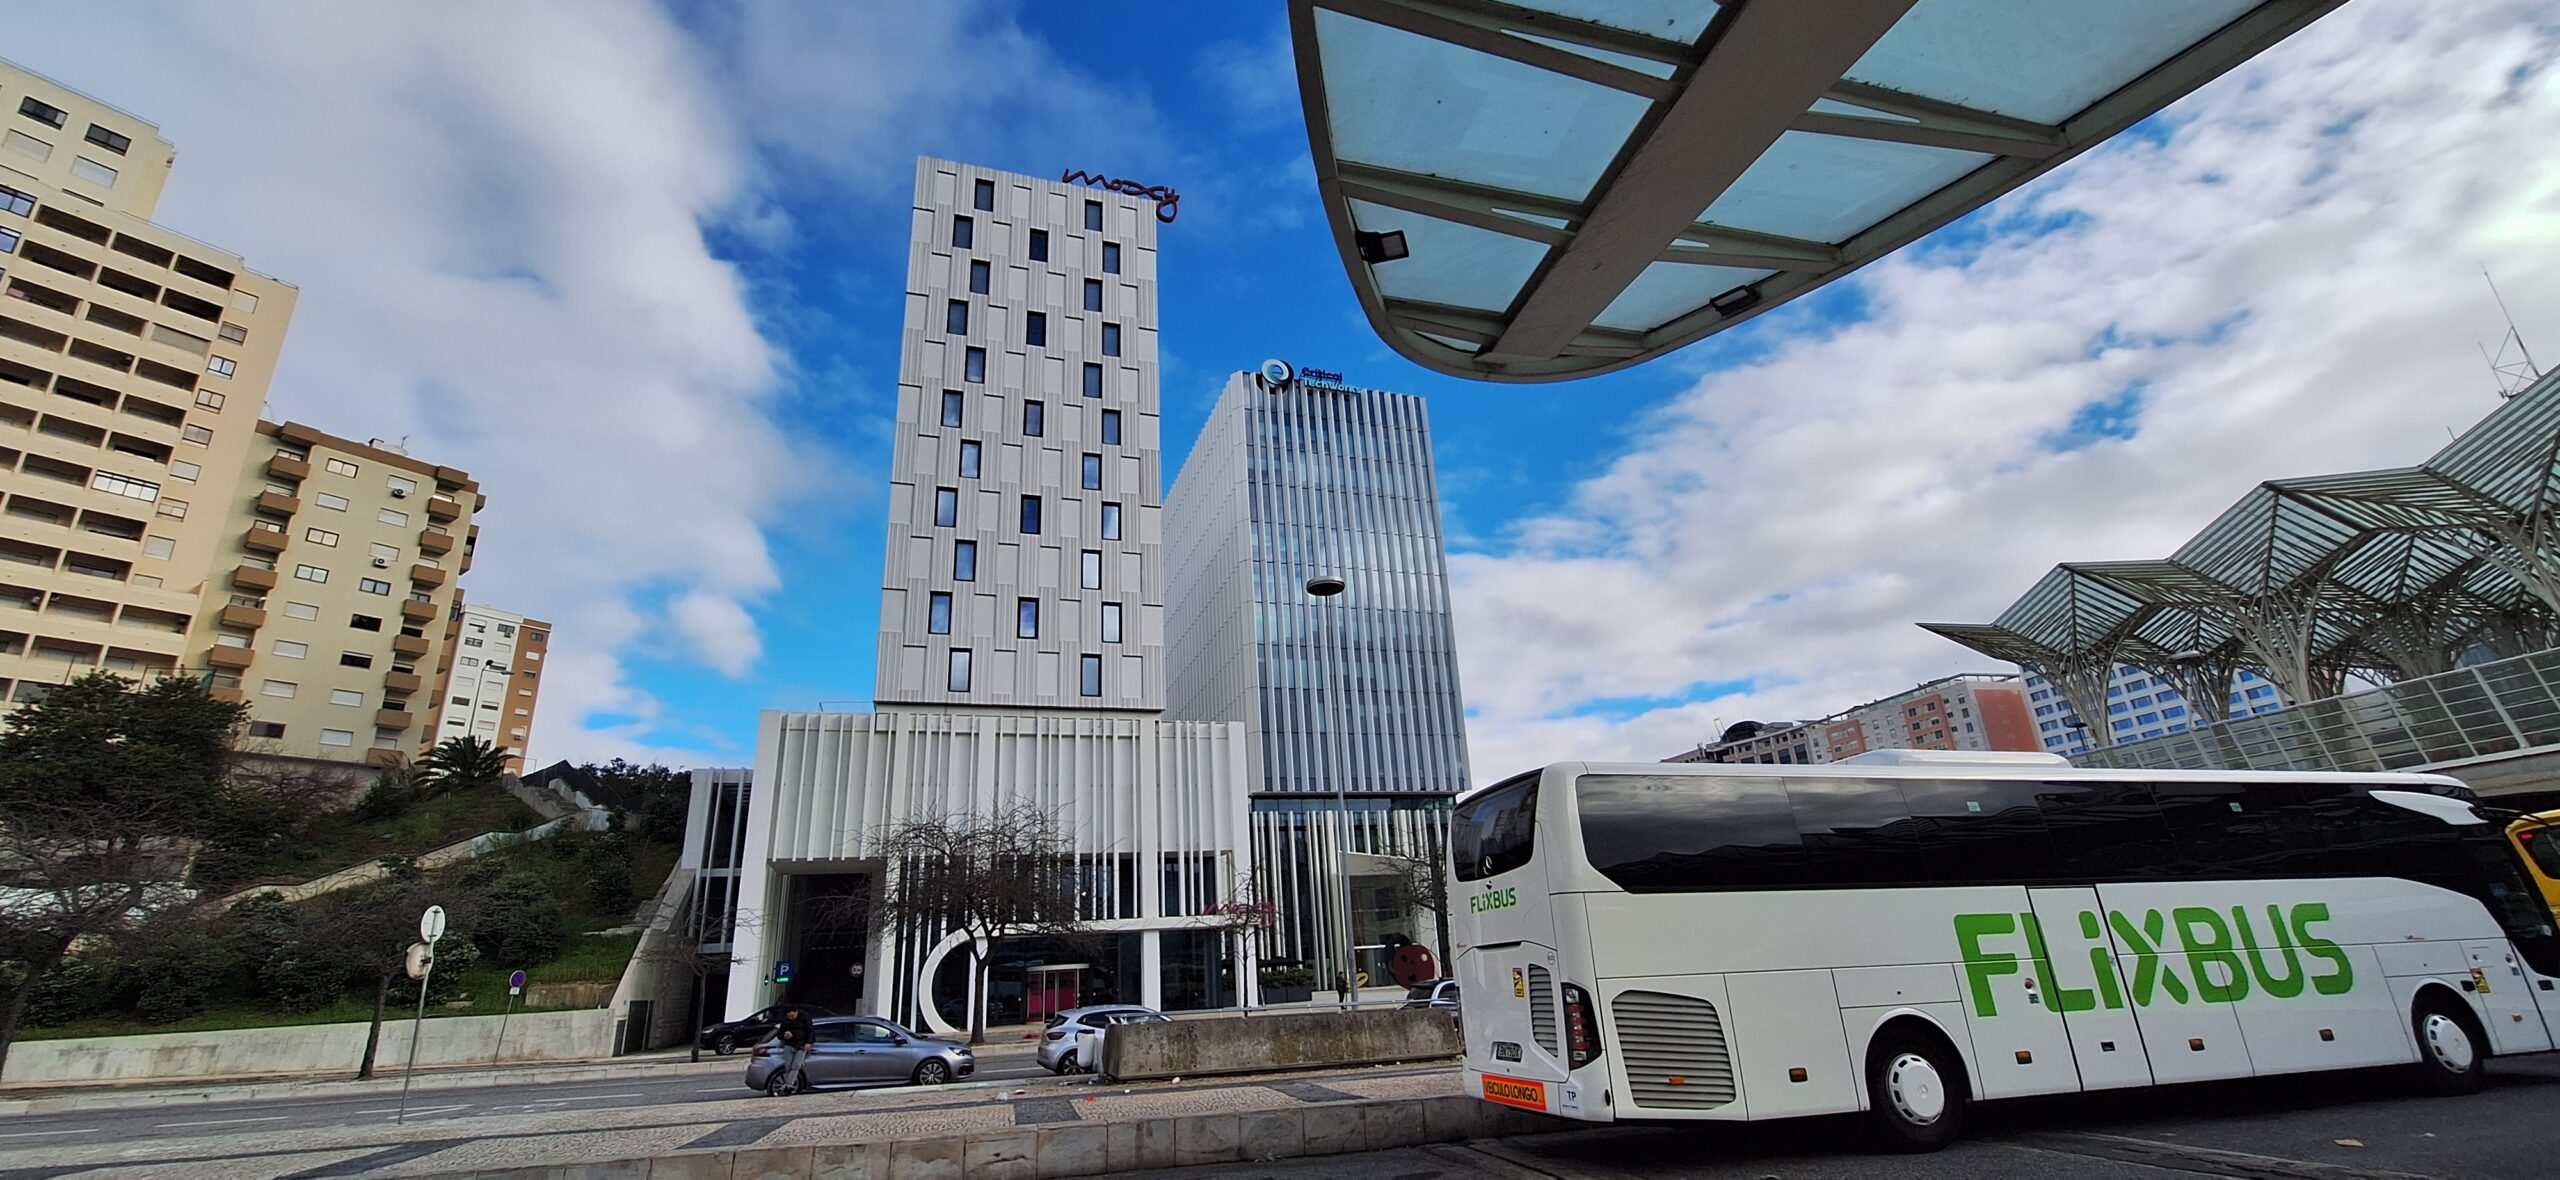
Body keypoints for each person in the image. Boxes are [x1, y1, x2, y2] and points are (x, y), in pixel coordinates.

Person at [775, 1005, 814, 1093]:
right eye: (789, 1016)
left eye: (793, 1016)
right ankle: (787, 1085)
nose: (791, 1018)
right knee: (788, 1066)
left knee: (796, 1066)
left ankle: (788, 1085)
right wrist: (784, 1036)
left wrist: (808, 1042)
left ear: (796, 1012)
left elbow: (810, 1030)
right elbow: (779, 1034)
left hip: (801, 1045)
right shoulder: (785, 1021)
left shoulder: (804, 1017)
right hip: (789, 1045)